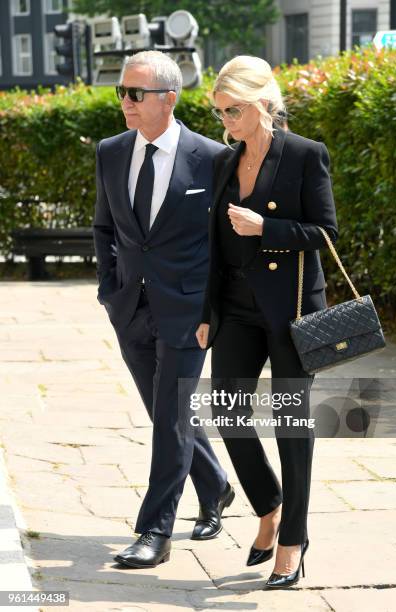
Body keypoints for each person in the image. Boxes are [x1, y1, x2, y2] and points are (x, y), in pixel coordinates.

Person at [196, 55, 338, 589]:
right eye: (220, 114)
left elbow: (324, 233)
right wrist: (209, 312)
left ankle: (293, 540)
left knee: (291, 427)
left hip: (291, 311)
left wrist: (267, 227)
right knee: (227, 412)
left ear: (261, 104)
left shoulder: (305, 155)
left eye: (233, 111)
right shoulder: (224, 163)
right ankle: (268, 504)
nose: (226, 122)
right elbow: (211, 245)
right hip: (234, 307)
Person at [93, 50, 235, 569]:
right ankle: (216, 486)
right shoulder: (110, 152)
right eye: (122, 92)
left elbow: (223, 247)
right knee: (164, 413)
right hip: (129, 305)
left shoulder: (212, 158)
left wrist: (211, 312)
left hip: (188, 313)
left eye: (136, 93)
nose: (125, 102)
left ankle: (155, 530)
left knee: (170, 420)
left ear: (169, 97)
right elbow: (105, 228)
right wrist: (110, 289)